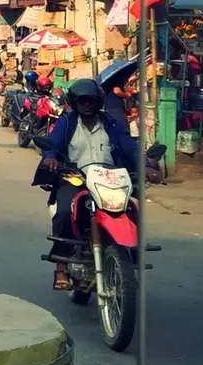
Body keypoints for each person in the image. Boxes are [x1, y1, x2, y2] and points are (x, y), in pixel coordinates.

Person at [35, 78, 140, 288]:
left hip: (109, 181)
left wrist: (148, 164)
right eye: (82, 101)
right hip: (76, 179)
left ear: (98, 101)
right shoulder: (67, 122)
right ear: (75, 103)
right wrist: (50, 157)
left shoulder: (111, 124)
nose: (87, 105)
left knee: (131, 209)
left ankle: (131, 257)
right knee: (65, 211)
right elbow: (52, 143)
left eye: (91, 100)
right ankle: (61, 267)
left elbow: (130, 147)